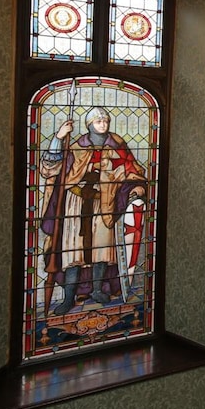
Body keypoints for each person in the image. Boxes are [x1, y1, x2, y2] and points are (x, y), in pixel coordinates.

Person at [39, 106, 147, 315]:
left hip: (104, 204)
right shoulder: (76, 147)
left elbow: (133, 171)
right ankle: (69, 297)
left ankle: (98, 290)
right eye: (98, 121)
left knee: (102, 250)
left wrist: (137, 187)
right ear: (89, 125)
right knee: (72, 252)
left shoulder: (117, 146)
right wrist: (58, 138)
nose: (103, 124)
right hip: (75, 204)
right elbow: (51, 169)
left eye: (106, 121)